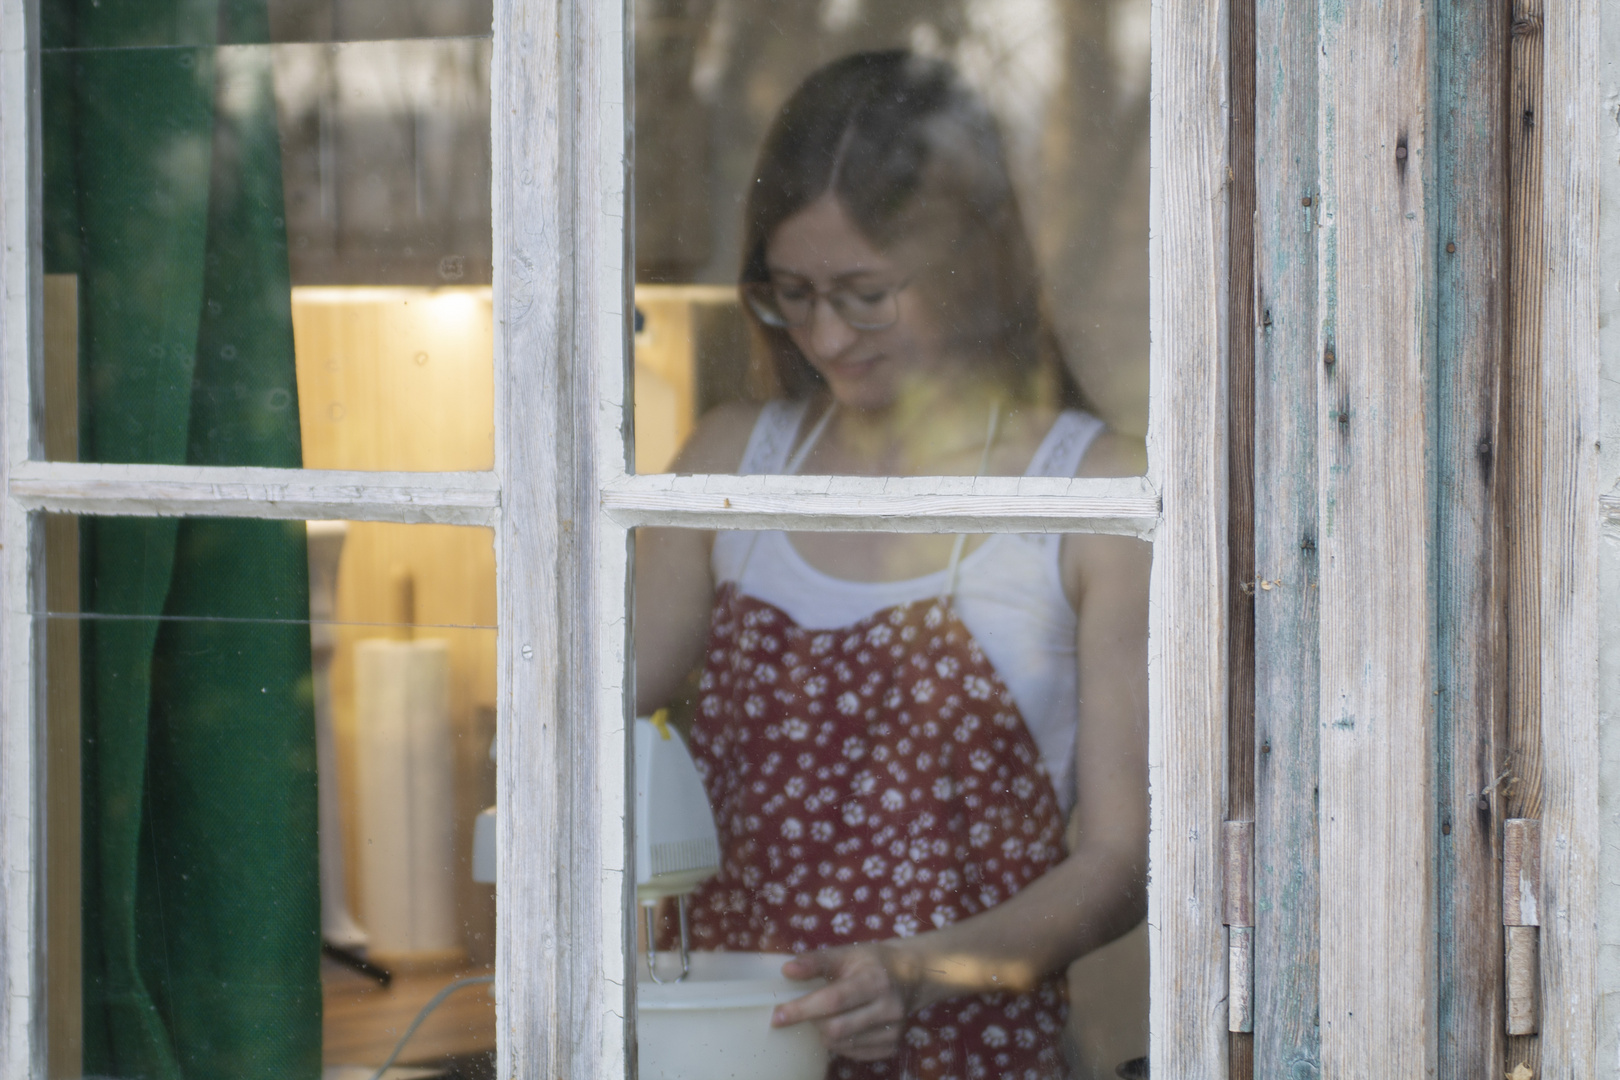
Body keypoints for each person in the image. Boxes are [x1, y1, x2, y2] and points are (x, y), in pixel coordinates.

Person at [634, 50, 1148, 1080]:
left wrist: (919, 969)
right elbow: (579, 727)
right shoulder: (732, 463)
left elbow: (1120, 864)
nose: (826, 334)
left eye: (866, 295)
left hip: (973, 1054)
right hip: (726, 1053)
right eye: (794, 294)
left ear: (968, 259)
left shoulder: (1089, 496)